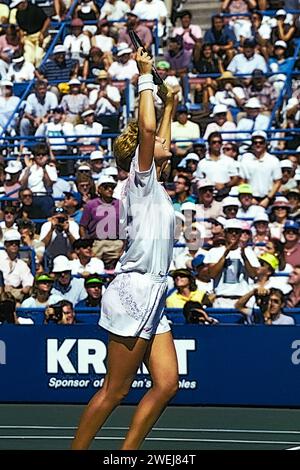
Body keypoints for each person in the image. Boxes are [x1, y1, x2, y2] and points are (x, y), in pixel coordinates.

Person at [72, 48, 178, 450]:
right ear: (140, 155)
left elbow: (159, 135)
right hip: (134, 290)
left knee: (167, 383)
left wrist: (168, 102)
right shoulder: (140, 179)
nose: (167, 144)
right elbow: (150, 134)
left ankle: (126, 454)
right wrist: (146, 76)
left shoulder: (156, 187)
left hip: (156, 293)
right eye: (156, 144)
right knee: (114, 391)